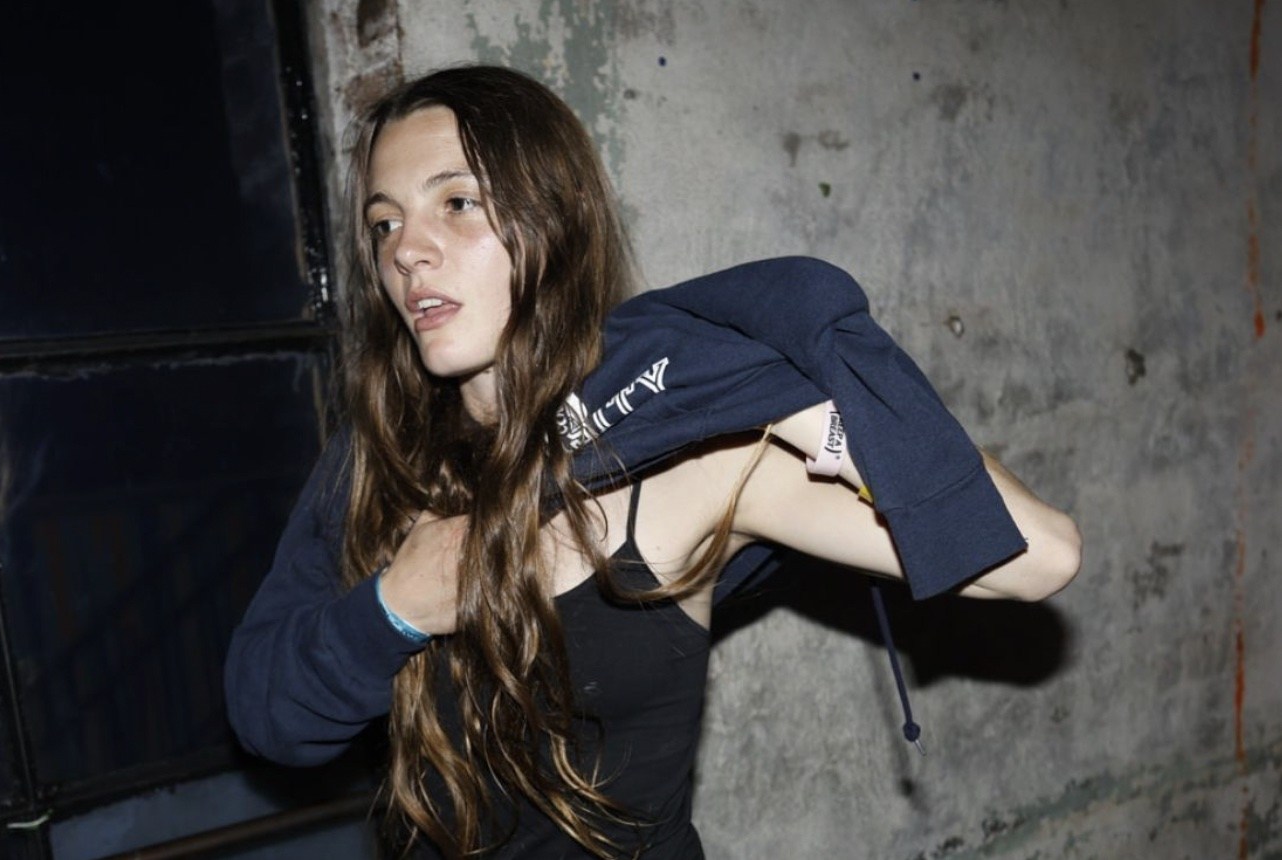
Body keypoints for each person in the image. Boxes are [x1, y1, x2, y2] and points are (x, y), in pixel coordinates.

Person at [225, 65, 1081, 859]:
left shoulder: (691, 452)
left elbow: (1037, 558)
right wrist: (394, 610)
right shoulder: (376, 460)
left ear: (552, 216)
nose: (406, 251)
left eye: (456, 203)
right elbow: (269, 719)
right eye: (384, 223)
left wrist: (817, 407)